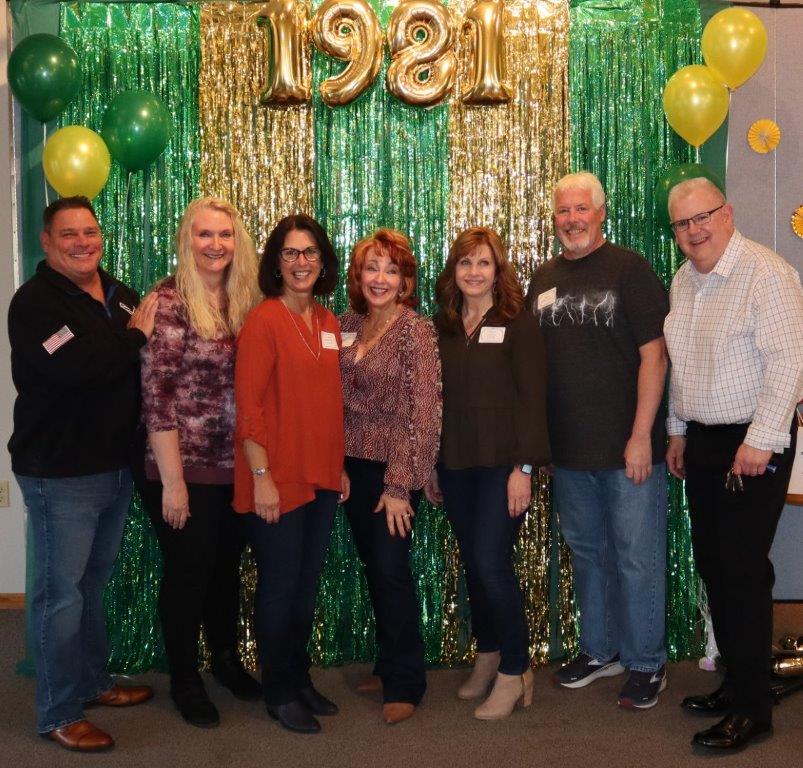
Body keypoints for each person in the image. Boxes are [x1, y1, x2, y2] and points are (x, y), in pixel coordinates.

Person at [8, 196, 157, 752]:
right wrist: (134, 338)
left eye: (89, 232)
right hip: (60, 474)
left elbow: (129, 367)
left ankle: (92, 683)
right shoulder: (35, 303)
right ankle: (59, 713)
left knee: (91, 585)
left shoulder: (120, 294)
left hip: (115, 468)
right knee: (60, 597)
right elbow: (76, 369)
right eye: (68, 234)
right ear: (46, 242)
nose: (81, 243)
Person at [664, 177, 803, 751]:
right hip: (703, 440)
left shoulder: (766, 273)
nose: (694, 230)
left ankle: (753, 709)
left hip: (752, 442)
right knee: (715, 565)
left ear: (728, 213)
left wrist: (761, 439)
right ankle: (740, 681)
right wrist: (677, 430)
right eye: (682, 223)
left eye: (703, 216)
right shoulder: (683, 280)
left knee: (742, 570)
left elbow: (789, 361)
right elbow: (683, 363)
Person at [525, 171, 670, 709]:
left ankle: (647, 661)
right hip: (568, 454)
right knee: (587, 555)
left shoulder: (629, 269)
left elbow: (655, 356)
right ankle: (600, 649)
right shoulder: (543, 278)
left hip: (628, 450)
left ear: (601, 212)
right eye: (563, 210)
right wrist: (541, 444)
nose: (572, 219)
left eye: (581, 209)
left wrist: (641, 435)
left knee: (636, 557)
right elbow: (537, 369)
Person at [139, 198, 263, 728]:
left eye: (225, 235)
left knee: (226, 570)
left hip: (234, 466)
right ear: (187, 240)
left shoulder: (247, 300)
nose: (216, 245)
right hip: (180, 467)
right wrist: (173, 484)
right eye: (204, 234)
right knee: (189, 573)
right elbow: (157, 396)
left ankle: (226, 661)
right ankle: (185, 679)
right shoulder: (169, 301)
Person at [426, 227, 549, 719]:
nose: (473, 272)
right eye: (465, 262)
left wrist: (524, 468)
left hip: (504, 466)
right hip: (456, 464)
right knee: (474, 565)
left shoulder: (517, 323)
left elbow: (534, 399)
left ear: (498, 271)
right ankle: (489, 653)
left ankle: (516, 670)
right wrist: (431, 465)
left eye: (483, 263)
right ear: (453, 271)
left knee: (490, 562)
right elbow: (432, 402)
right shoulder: (442, 326)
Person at [234, 214, 349, 734]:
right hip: (275, 478)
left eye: (310, 252)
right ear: (276, 264)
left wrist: (338, 467)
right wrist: (261, 475)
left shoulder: (328, 322)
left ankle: (298, 678)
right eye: (290, 253)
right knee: (280, 589)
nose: (301, 262)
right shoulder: (264, 321)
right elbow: (249, 409)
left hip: (320, 475)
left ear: (322, 261)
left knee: (304, 588)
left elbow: (328, 403)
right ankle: (278, 691)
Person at [339, 229, 441, 725]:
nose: (380, 278)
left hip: (393, 471)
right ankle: (386, 664)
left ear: (405, 282)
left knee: (391, 570)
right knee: (374, 568)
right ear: (358, 276)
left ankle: (406, 681)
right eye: (372, 267)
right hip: (351, 469)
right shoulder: (347, 324)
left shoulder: (415, 330)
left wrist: (399, 486)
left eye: (391, 270)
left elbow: (422, 413)